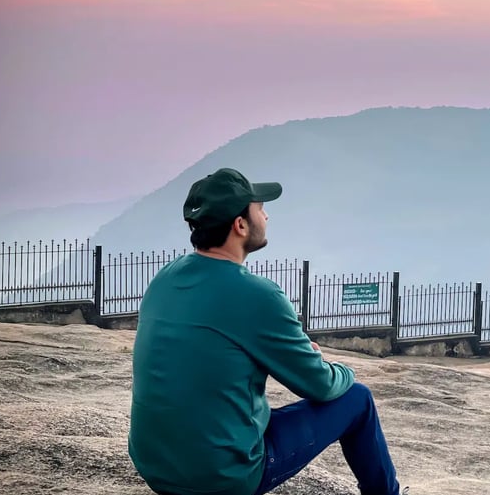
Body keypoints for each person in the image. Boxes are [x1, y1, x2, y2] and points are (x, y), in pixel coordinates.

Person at [128, 167, 407, 495]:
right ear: (240, 225)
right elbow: (320, 386)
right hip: (221, 478)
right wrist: (341, 369)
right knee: (357, 399)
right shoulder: (257, 295)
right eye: (260, 208)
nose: (267, 215)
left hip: (154, 463)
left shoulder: (164, 278)